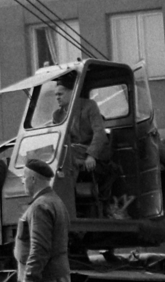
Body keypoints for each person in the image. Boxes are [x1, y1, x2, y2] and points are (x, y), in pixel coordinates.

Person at [51, 74, 125, 218]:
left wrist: (91, 155)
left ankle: (66, 206)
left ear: (72, 92)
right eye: (55, 95)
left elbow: (100, 133)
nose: (57, 98)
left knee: (67, 157)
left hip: (89, 150)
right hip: (72, 151)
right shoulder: (58, 115)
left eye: (60, 94)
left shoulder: (89, 106)